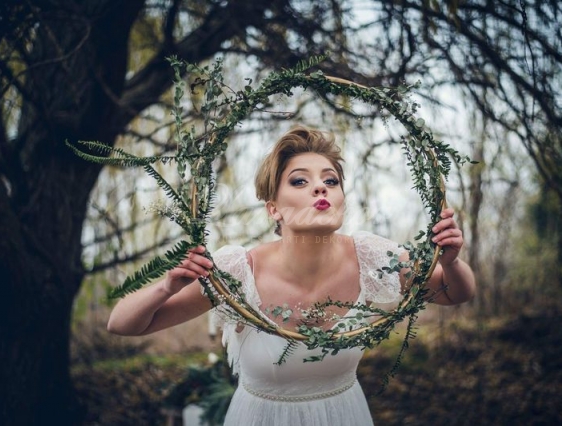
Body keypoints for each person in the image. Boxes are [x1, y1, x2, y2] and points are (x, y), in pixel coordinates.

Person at [107, 125, 476, 425]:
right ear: (274, 209)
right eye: (299, 181)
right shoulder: (238, 272)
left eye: (331, 181)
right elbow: (122, 324)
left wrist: (451, 262)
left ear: (341, 199)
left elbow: (455, 292)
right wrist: (167, 286)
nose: (320, 187)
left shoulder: (373, 258)